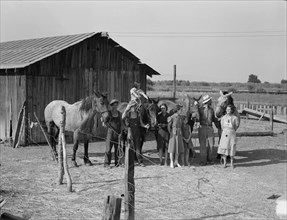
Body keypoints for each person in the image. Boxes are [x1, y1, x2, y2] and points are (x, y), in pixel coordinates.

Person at [198, 94, 221, 166]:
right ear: (207, 101)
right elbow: (197, 118)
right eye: (210, 100)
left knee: (211, 144)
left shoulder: (211, 109)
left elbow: (214, 119)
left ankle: (210, 159)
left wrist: (220, 123)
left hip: (210, 128)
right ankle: (203, 160)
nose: (211, 101)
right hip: (202, 127)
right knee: (203, 145)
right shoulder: (200, 109)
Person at [104, 99, 122, 168]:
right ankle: (106, 163)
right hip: (110, 133)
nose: (115, 107)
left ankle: (117, 163)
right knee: (108, 149)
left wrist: (120, 133)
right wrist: (106, 124)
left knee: (117, 149)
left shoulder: (119, 114)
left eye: (116, 105)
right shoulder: (109, 114)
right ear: (111, 106)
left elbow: (121, 124)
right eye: (114, 105)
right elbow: (105, 122)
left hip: (117, 134)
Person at [167, 104, 184, 168]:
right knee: (172, 148)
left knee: (178, 148)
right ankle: (171, 161)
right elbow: (169, 126)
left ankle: (176, 161)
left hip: (179, 133)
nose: (181, 111)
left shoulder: (180, 117)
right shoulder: (172, 117)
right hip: (173, 133)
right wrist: (171, 132)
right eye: (180, 110)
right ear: (177, 110)